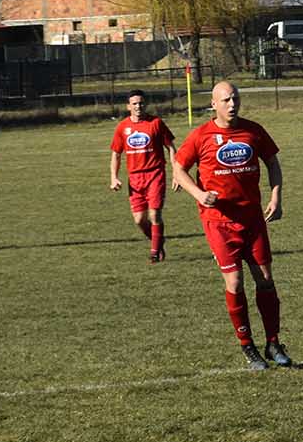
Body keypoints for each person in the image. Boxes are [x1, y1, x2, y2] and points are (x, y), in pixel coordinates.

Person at [171, 81, 292, 371]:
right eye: (225, 100)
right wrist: (199, 194)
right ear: (213, 104)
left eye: (235, 98)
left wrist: (276, 196)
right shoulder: (201, 136)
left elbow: (272, 162)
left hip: (253, 219)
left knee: (265, 279)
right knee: (235, 282)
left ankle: (273, 342)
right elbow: (178, 167)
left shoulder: (253, 131)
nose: (232, 104)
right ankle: (247, 346)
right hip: (220, 223)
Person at [109, 89, 177, 263]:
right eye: (134, 104)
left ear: (145, 104)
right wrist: (114, 177)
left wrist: (177, 173)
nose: (138, 106)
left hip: (155, 174)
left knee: (154, 215)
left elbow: (171, 147)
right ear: (128, 106)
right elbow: (116, 154)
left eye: (141, 103)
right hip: (134, 179)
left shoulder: (156, 123)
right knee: (139, 220)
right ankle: (157, 240)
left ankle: (154, 252)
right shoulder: (122, 127)